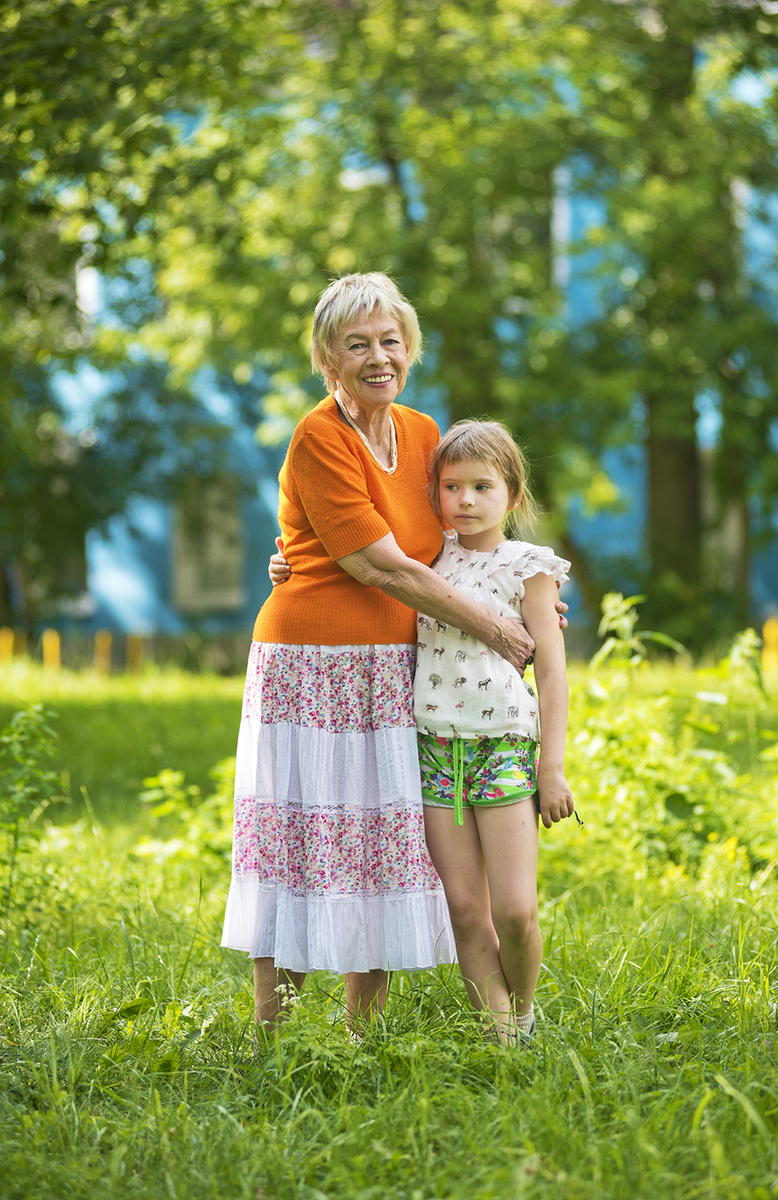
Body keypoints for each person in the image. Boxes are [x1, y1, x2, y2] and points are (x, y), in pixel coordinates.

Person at [221, 272, 558, 1040]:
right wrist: (496, 626)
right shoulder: (318, 436)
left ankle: (358, 1035)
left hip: (398, 668)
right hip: (313, 669)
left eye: (390, 341)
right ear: (326, 359)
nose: (378, 356)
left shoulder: (422, 430)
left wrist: (525, 594)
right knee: (302, 842)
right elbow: (378, 564)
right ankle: (274, 1035)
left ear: (410, 348)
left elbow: (460, 540)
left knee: (379, 842)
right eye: (357, 344)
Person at [414, 420, 576, 1044]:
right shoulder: (424, 560)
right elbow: (358, 566)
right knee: (464, 909)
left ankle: (525, 1012)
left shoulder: (529, 568)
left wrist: (552, 766)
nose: (465, 500)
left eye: (483, 486)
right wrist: (284, 564)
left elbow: (554, 670)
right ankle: (501, 1034)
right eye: (451, 486)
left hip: (505, 746)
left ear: (513, 495)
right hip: (434, 749)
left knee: (514, 909)